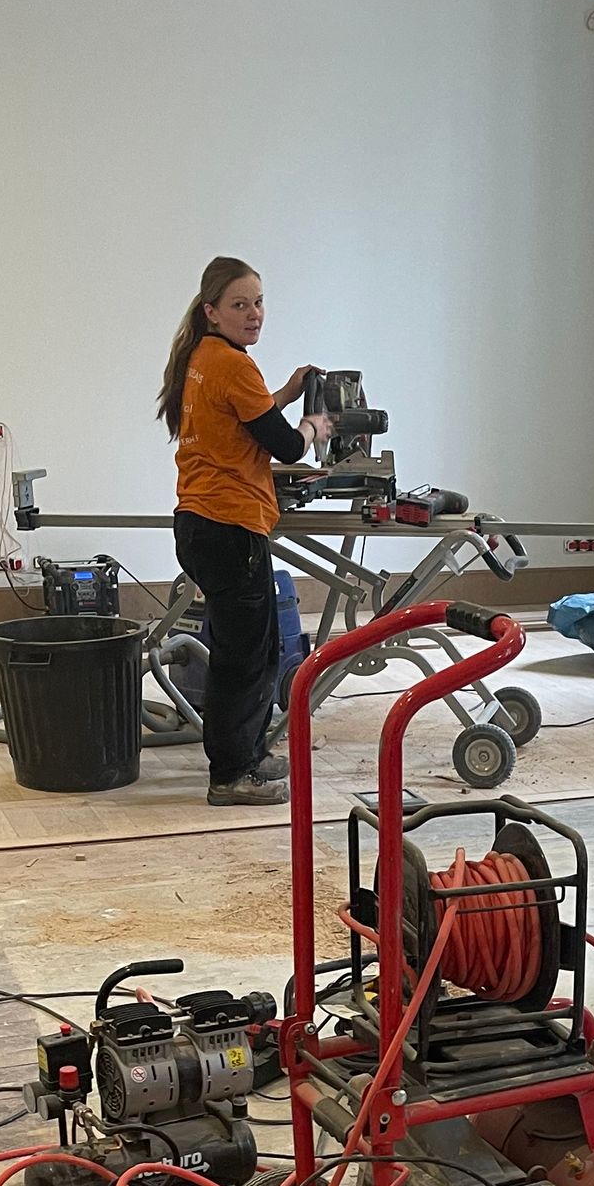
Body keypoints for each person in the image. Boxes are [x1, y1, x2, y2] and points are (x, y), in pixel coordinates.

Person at [157, 256, 331, 807]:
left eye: (258, 302)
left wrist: (284, 392)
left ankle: (247, 756)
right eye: (239, 304)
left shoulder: (204, 358)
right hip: (229, 528)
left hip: (202, 524)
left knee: (246, 650)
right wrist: (313, 425)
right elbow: (283, 445)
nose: (253, 314)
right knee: (245, 659)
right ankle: (232, 774)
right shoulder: (232, 364)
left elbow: (246, 419)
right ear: (212, 311)